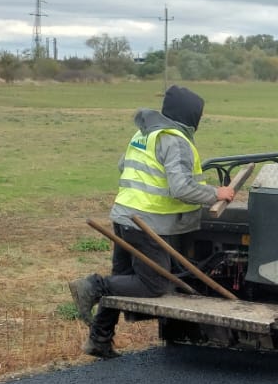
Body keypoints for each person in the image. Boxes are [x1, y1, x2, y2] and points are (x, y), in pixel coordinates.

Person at [68, 84, 234, 359]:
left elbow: (124, 165)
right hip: (146, 222)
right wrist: (217, 193)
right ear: (191, 116)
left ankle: (99, 339)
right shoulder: (176, 139)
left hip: (123, 214)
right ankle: (93, 286)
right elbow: (180, 188)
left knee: (122, 280)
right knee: (153, 284)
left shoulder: (145, 133)